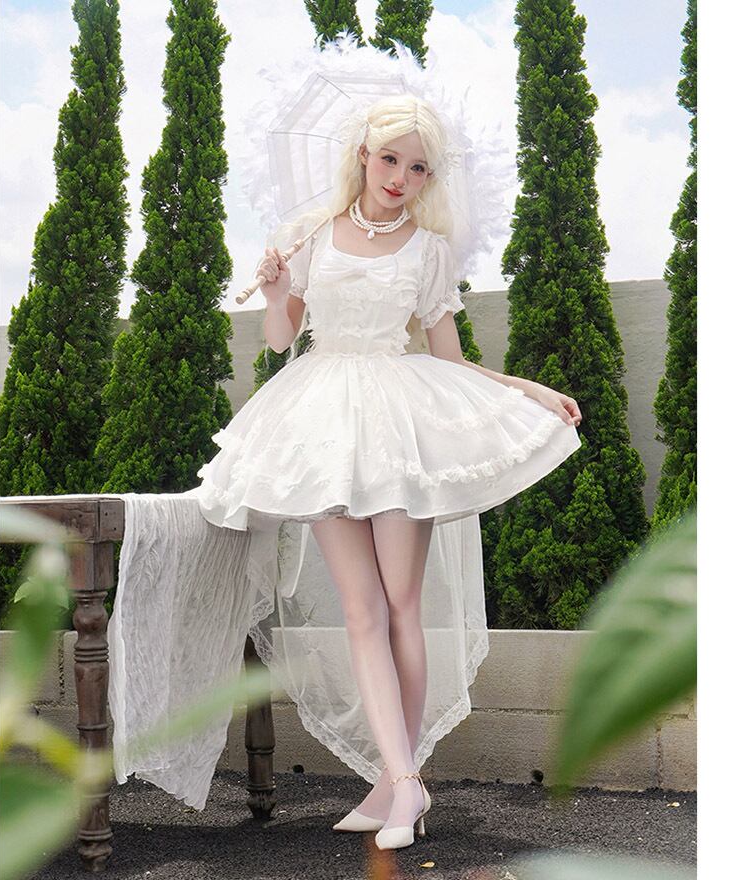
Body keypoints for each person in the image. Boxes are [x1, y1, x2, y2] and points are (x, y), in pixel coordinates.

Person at [187, 93, 582, 851]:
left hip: (400, 428)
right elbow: (281, 340)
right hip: (323, 423)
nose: (400, 176)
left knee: (402, 605)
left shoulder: (429, 251)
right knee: (360, 610)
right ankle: (401, 782)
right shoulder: (310, 234)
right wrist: (277, 292)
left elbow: (449, 360)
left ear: (429, 177)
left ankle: (398, 780)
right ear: (363, 155)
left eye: (418, 167)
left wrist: (525, 389)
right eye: (390, 158)